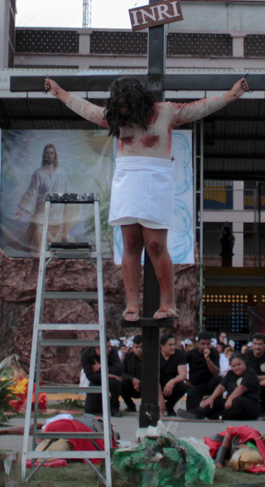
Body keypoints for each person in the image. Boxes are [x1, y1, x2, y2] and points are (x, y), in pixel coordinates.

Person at [45, 76, 250, 321]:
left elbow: (199, 108)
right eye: (117, 105)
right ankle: (132, 304)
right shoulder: (114, 117)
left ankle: (168, 303)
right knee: (131, 243)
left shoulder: (165, 112)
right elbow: (86, 109)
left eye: (124, 104)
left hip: (157, 178)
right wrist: (59, 92)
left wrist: (232, 94)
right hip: (127, 178)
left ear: (136, 101)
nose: (121, 109)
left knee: (155, 245)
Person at [12, 143, 75, 254]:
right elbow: (32, 193)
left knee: (57, 242)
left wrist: (68, 213)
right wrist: (22, 210)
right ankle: (39, 259)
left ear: (55, 156)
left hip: (58, 215)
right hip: (42, 212)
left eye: (51, 153)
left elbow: (67, 195)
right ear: (43, 155)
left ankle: (51, 258)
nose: (49, 155)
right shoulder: (38, 174)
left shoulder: (61, 173)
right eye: (47, 153)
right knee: (39, 231)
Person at [185, 354, 262, 421]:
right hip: (231, 403)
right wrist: (212, 398)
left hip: (249, 407)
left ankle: (218, 416)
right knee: (215, 402)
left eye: (239, 365)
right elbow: (221, 387)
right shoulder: (230, 374)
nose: (237, 368)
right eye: (234, 366)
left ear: (244, 363)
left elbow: (241, 388)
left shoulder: (250, 373)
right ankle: (196, 413)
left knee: (237, 401)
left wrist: (230, 399)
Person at [80, 343, 123, 418]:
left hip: (112, 380)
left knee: (114, 382)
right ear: (98, 347)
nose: (109, 348)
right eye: (107, 347)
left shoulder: (113, 352)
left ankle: (115, 407)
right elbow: (91, 376)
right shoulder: (87, 354)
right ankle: (103, 404)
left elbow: (118, 370)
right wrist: (108, 374)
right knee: (90, 410)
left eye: (110, 346)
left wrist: (101, 368)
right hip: (96, 380)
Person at [243, 333, 265, 419]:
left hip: (264, 382)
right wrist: (258, 381)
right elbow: (245, 374)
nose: (257, 347)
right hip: (249, 382)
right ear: (252, 344)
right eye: (255, 344)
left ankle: (263, 409)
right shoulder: (246, 355)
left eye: (260, 344)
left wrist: (256, 379)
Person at [185, 333, 221, 411]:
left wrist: (207, 358)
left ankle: (216, 408)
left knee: (219, 379)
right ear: (198, 344)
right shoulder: (191, 354)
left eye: (208, 344)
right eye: (203, 344)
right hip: (196, 385)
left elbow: (216, 372)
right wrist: (185, 379)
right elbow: (179, 364)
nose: (206, 346)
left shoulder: (214, 352)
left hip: (209, 383)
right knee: (191, 410)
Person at [158, 333, 187, 417]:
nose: (173, 347)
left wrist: (172, 382)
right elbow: (154, 379)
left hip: (173, 385)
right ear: (162, 346)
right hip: (158, 384)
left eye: (174, 344)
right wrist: (161, 399)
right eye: (170, 345)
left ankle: (169, 406)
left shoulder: (180, 355)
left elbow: (183, 375)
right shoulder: (156, 356)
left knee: (183, 387)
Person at [120, 334, 143, 412]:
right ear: (133, 347)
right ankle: (130, 406)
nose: (139, 350)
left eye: (141, 347)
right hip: (131, 384)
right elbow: (123, 373)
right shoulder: (128, 356)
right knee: (121, 383)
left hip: (145, 386)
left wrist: (140, 383)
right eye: (136, 347)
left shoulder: (150, 358)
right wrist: (132, 380)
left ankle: (145, 406)